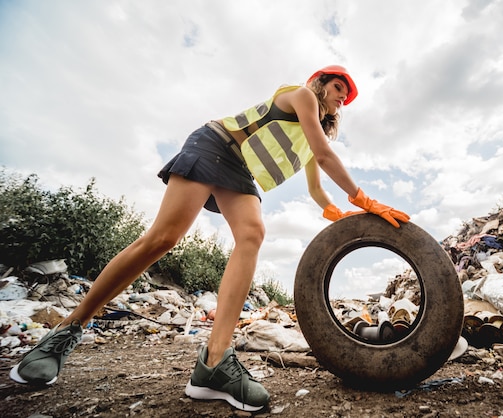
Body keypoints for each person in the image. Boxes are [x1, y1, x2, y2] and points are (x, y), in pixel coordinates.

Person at [9, 65, 410, 412]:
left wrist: (345, 217)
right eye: (340, 88)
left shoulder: (307, 139)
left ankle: (214, 363)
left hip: (238, 170)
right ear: (321, 82)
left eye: (347, 97)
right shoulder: (301, 95)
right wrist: (365, 199)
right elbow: (326, 155)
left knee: (252, 233)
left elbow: (318, 189)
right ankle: (65, 331)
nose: (343, 99)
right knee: (163, 239)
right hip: (216, 142)